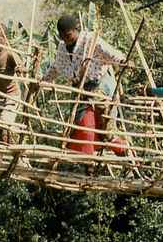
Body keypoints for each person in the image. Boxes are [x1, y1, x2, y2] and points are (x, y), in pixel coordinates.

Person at [42, 14, 126, 155]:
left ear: (76, 29)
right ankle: (89, 164)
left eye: (68, 35)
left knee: (106, 130)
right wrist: (44, 81)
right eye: (62, 37)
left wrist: (123, 61)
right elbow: (56, 67)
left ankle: (125, 152)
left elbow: (111, 53)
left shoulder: (90, 40)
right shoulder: (62, 48)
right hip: (81, 92)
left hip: (99, 89)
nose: (65, 39)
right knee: (84, 127)